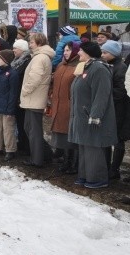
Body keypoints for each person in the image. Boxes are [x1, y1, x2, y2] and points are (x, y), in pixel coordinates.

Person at [69, 42, 118, 189]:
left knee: (93, 148)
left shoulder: (99, 69)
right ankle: (85, 175)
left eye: (81, 51)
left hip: (92, 117)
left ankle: (97, 178)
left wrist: (96, 115)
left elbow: (101, 95)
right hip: (82, 115)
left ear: (89, 52)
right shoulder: (86, 67)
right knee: (85, 147)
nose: (78, 53)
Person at [20, 33, 54, 167]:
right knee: (30, 128)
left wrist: (25, 90)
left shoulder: (40, 58)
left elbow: (35, 77)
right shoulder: (40, 57)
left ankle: (37, 159)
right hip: (33, 98)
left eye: (32, 42)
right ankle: (44, 155)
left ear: (39, 43)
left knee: (33, 130)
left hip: (34, 98)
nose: (30, 44)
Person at [100, 40, 130, 180]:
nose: (103, 54)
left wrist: (106, 95)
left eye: (105, 52)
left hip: (118, 108)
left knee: (118, 138)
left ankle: (114, 168)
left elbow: (121, 91)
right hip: (108, 106)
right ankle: (106, 165)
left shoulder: (121, 67)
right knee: (106, 136)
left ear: (113, 53)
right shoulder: (106, 64)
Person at [49, 41, 81, 174]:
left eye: (68, 50)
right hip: (58, 104)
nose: (66, 53)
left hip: (70, 106)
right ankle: (65, 160)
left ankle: (74, 164)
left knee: (71, 135)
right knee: (62, 135)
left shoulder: (79, 66)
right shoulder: (61, 65)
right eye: (65, 50)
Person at [11, 39, 32, 156]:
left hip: (22, 94)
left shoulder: (26, 60)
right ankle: (22, 142)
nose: (13, 50)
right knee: (19, 121)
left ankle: (26, 145)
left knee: (23, 121)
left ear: (22, 49)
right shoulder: (16, 60)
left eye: (16, 48)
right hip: (16, 93)